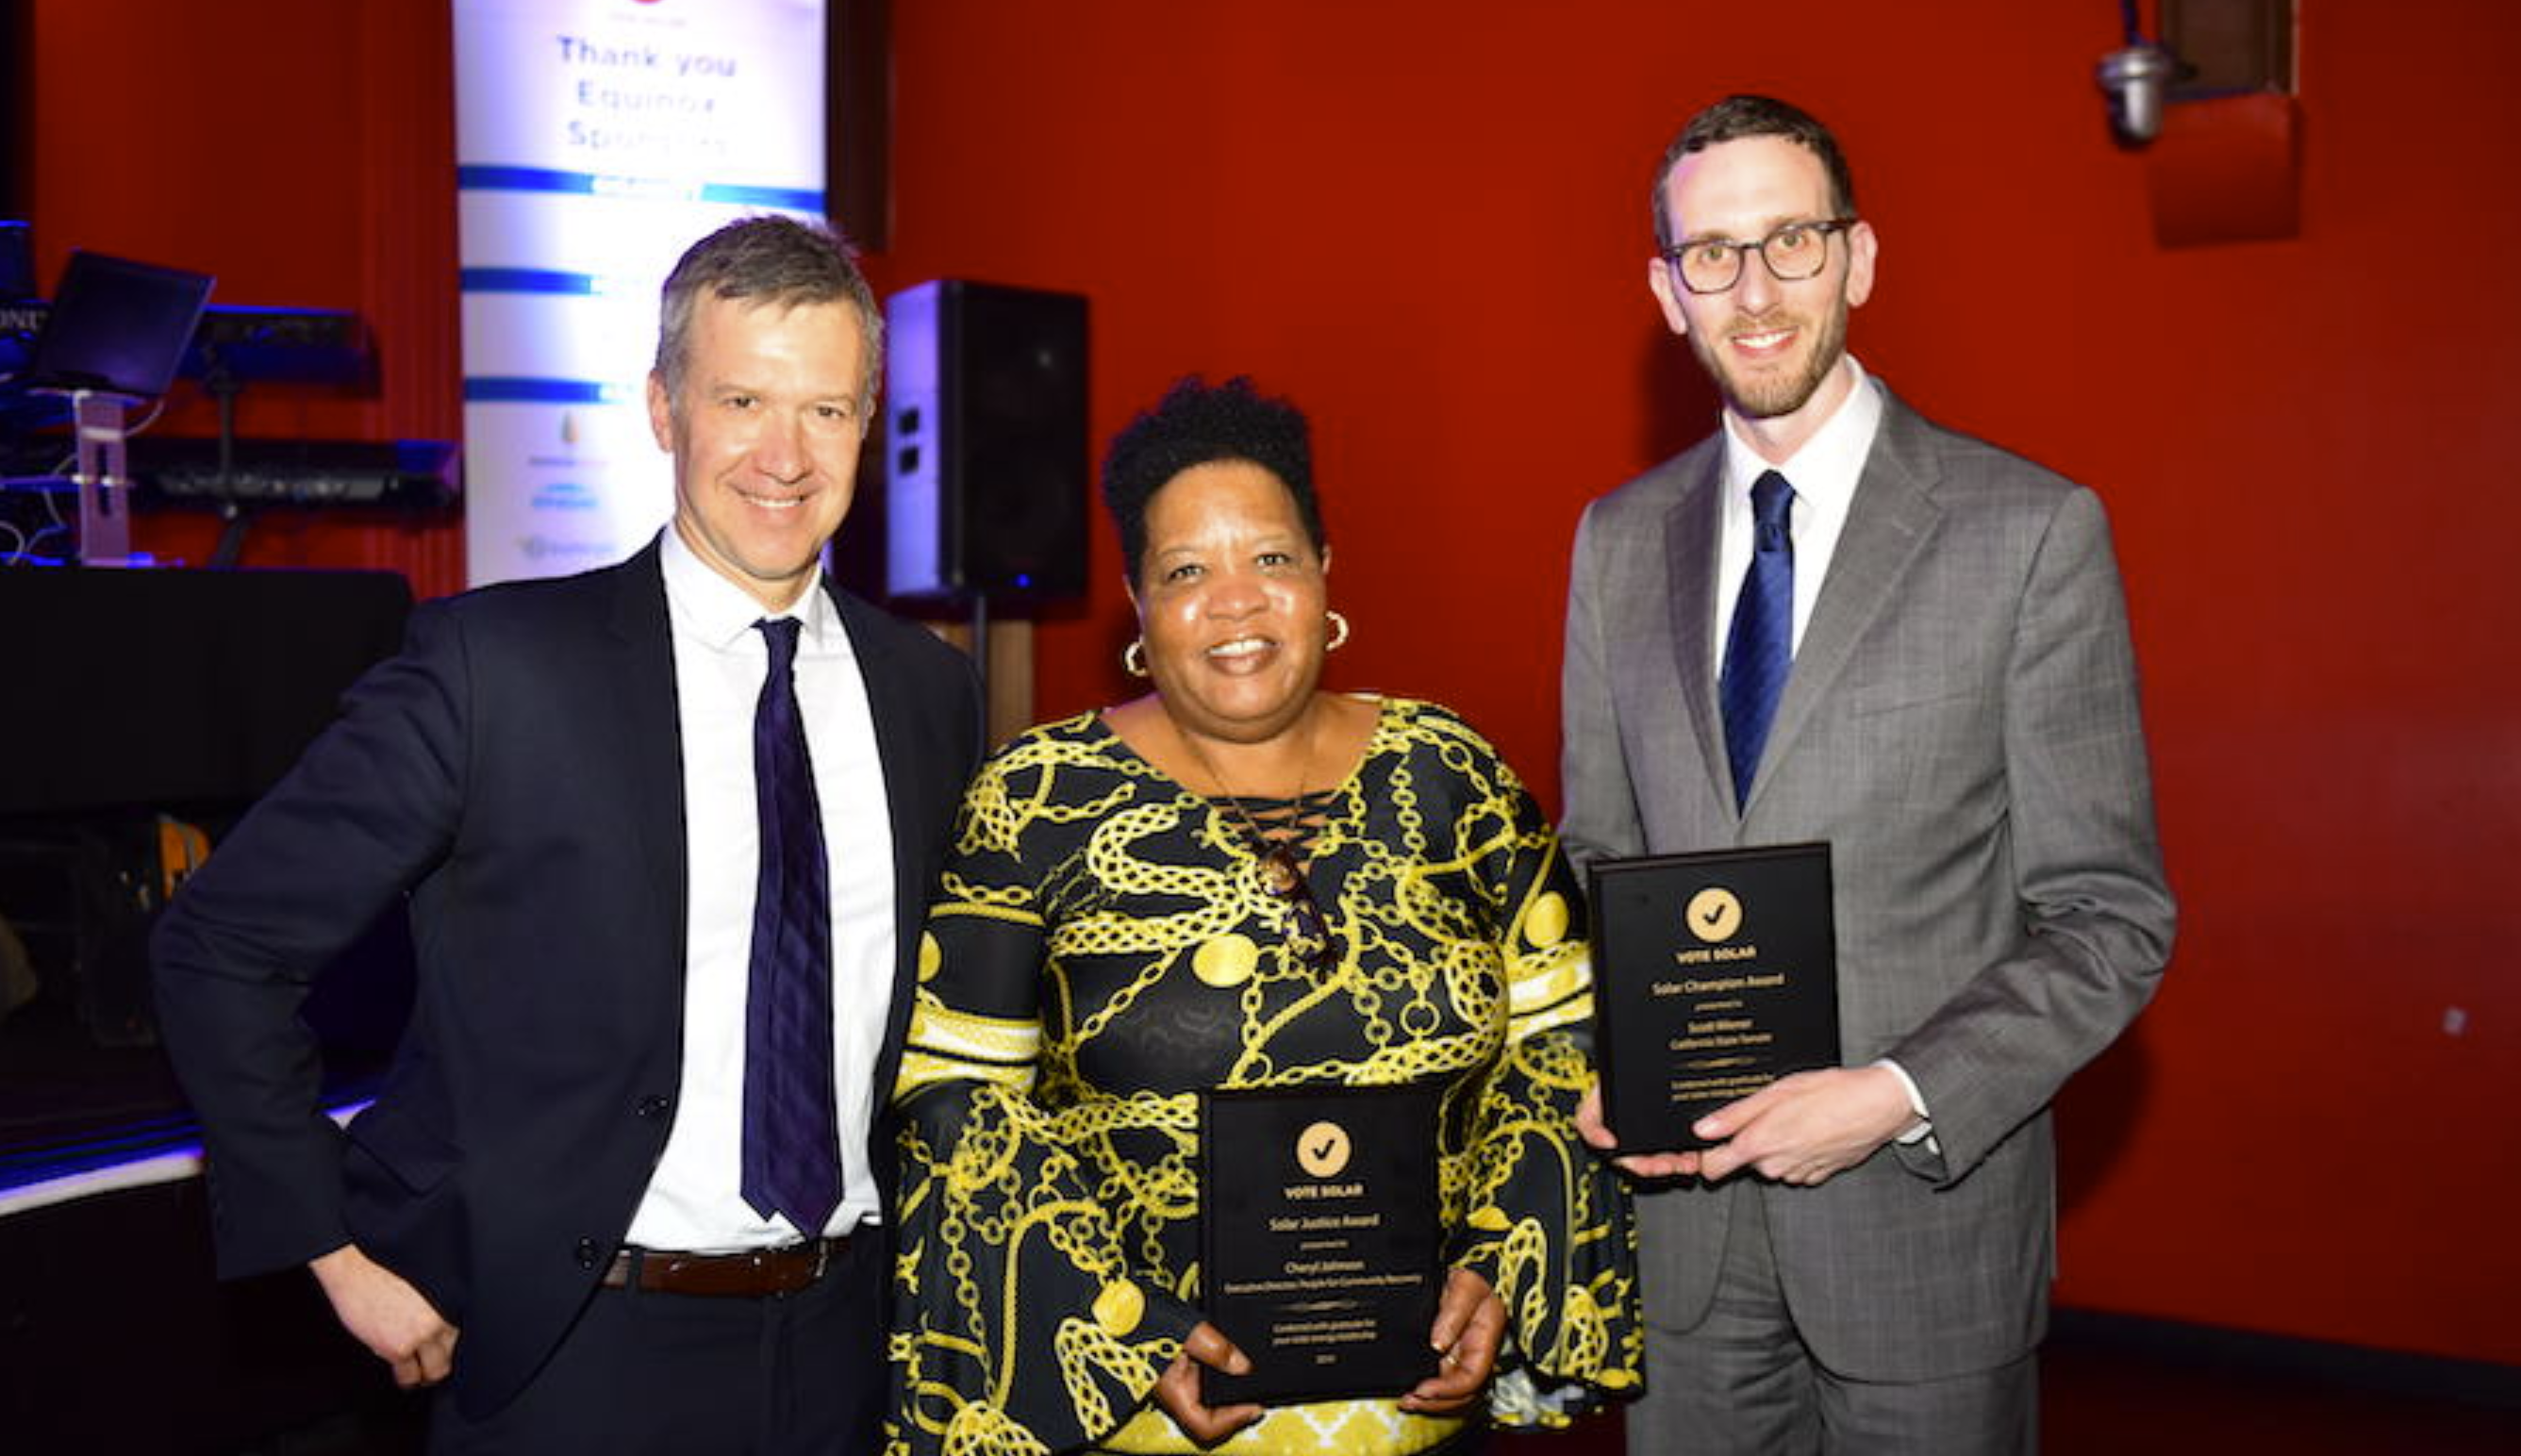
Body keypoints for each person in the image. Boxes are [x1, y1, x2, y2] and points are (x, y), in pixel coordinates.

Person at [152, 214, 982, 1452]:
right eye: (742, 398)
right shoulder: (495, 670)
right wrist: (329, 1245)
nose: (784, 453)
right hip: (572, 1354)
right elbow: (218, 946)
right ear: (663, 408)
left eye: (827, 409)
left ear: (868, 423)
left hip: (850, 1350)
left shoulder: (929, 689)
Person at [1561, 95, 2176, 1453]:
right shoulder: (1615, 543)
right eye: (1712, 254)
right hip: (1685, 1252)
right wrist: (1601, 1048)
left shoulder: (2027, 534)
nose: (1757, 289)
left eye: (1791, 240)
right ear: (1668, 292)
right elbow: (1599, 861)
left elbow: (2110, 920)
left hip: (1923, 1247)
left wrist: (1894, 1093)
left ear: (1860, 258)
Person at [886, 376, 1640, 1456]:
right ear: (1138, 603)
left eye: (1271, 558)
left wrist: (1501, 1255)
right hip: (1141, 1421)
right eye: (1187, 570)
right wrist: (1128, 1330)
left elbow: (1560, 1032)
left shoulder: (1450, 772)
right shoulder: (1036, 799)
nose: (1236, 601)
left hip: (1424, 1422)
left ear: (1325, 569)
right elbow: (954, 1094)